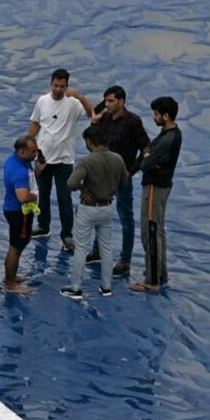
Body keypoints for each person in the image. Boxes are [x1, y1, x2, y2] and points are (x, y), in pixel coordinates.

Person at [83, 85, 150, 277]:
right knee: (98, 212)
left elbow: (146, 147)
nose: (107, 104)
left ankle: (125, 260)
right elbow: (91, 144)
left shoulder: (133, 121)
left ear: (121, 101)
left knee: (125, 217)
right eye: (106, 101)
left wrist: (132, 171)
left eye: (111, 101)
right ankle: (96, 251)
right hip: (102, 174)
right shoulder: (103, 119)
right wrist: (94, 123)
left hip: (121, 176)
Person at [60, 126, 130, 300]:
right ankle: (106, 287)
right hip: (106, 208)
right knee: (106, 249)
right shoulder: (118, 159)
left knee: (81, 248)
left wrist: (83, 188)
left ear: (89, 142)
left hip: (88, 208)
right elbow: (125, 182)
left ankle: (75, 287)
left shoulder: (88, 161)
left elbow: (70, 183)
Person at [27, 68, 94, 252]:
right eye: (55, 85)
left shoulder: (73, 103)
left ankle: (67, 235)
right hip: (43, 158)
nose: (58, 89)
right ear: (51, 84)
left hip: (64, 161)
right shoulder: (42, 101)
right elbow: (35, 124)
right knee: (43, 195)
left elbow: (91, 113)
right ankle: (43, 226)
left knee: (64, 199)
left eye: (62, 86)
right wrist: (27, 144)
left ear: (67, 86)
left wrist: (79, 96)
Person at [129, 96, 183, 294]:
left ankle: (152, 280)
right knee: (158, 231)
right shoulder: (168, 134)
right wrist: (148, 155)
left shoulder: (168, 138)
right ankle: (161, 273)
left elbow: (146, 163)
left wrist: (147, 157)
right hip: (160, 185)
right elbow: (147, 153)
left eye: (156, 114)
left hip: (155, 187)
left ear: (166, 116)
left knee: (150, 231)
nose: (154, 117)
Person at [2, 135, 41, 294]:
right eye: (33, 151)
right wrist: (36, 195)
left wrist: (38, 170)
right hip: (18, 213)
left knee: (19, 244)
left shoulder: (17, 161)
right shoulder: (18, 171)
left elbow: (29, 178)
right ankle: (10, 283)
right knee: (16, 247)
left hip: (15, 210)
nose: (36, 154)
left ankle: (11, 276)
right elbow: (23, 196)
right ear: (22, 152)